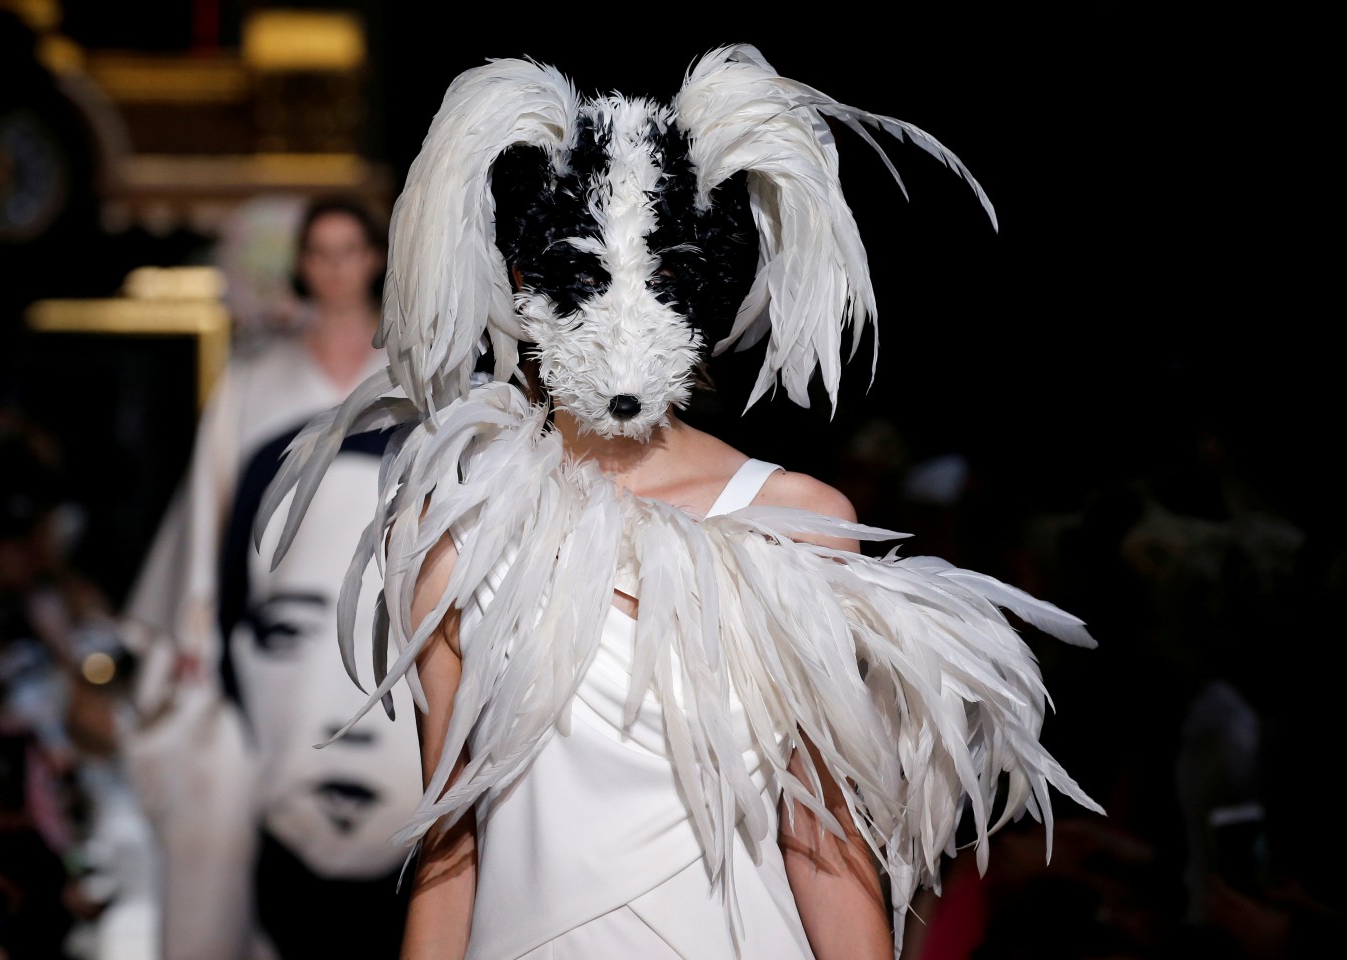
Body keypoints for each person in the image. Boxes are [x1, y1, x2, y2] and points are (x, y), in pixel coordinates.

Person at [260, 46, 1101, 959]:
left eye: (661, 281)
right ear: (526, 280)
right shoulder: (457, 537)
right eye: (584, 278)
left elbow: (822, 839)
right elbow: (450, 847)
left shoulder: (793, 523)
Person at [120, 195, 421, 959]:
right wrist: (197, 624)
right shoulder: (256, 380)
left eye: (349, 250)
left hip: (392, 625)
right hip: (285, 633)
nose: (335, 268)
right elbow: (211, 507)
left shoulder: (421, 375)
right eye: (320, 252)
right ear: (302, 265)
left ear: (374, 259)